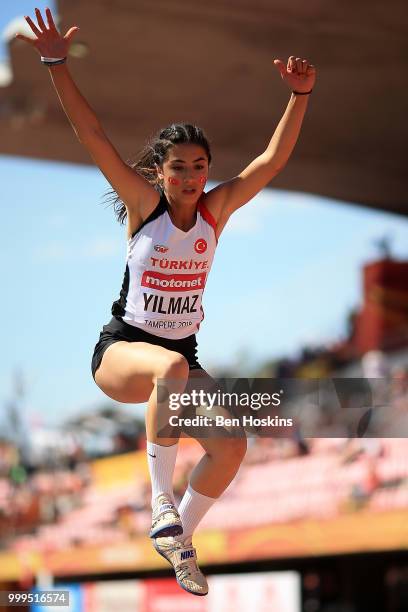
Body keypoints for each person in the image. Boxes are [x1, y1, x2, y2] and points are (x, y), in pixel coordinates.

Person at [16, 7, 316, 596]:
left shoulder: (216, 211)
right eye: (179, 168)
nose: (190, 177)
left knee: (232, 446)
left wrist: (299, 96)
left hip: (180, 354)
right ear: (160, 171)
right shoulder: (143, 206)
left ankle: (180, 539)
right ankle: (159, 500)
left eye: (199, 167)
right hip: (123, 354)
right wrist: (55, 63)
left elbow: (271, 161)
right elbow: (94, 135)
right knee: (170, 367)